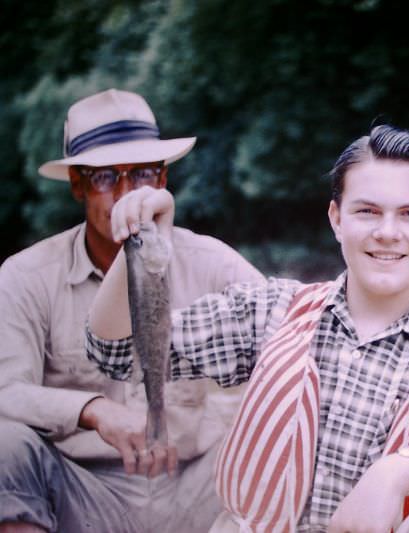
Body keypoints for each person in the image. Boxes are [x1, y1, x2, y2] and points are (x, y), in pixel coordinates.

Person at [87, 124, 409, 532]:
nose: (387, 232)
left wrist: (402, 471)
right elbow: (117, 354)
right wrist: (139, 244)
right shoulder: (271, 310)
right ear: (336, 219)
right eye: (367, 211)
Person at [0, 89, 266, 533]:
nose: (126, 194)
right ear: (78, 185)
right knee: (5, 445)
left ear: (162, 181)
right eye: (106, 177)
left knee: (291, 436)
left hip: (199, 485)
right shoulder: (27, 275)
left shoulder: (211, 260)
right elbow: (6, 392)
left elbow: (292, 333)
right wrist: (93, 408)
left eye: (142, 174)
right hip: (83, 493)